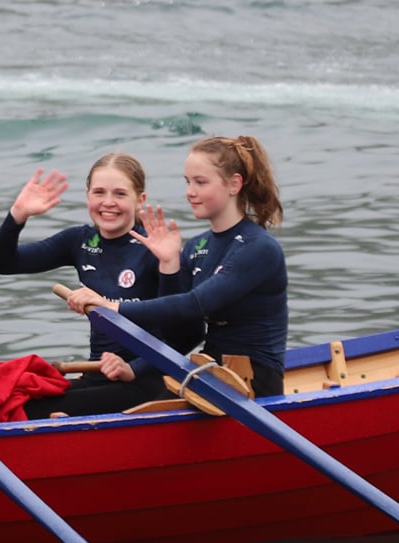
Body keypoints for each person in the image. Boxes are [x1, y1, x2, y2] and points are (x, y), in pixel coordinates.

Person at [65, 135, 288, 399]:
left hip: (255, 382)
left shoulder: (259, 248)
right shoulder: (196, 247)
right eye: (187, 182)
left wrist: (111, 307)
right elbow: (183, 332)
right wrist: (169, 265)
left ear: (234, 184)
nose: (190, 192)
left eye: (200, 182)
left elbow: (196, 304)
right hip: (211, 372)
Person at [0, 152, 174, 416]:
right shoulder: (79, 241)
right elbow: (1, 264)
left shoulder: (156, 249)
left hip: (147, 380)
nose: (108, 202)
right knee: (8, 399)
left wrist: (133, 368)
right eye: (99, 192)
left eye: (120, 194)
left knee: (28, 411)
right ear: (87, 196)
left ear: (140, 200)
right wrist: (17, 215)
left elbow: (182, 334)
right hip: (98, 373)